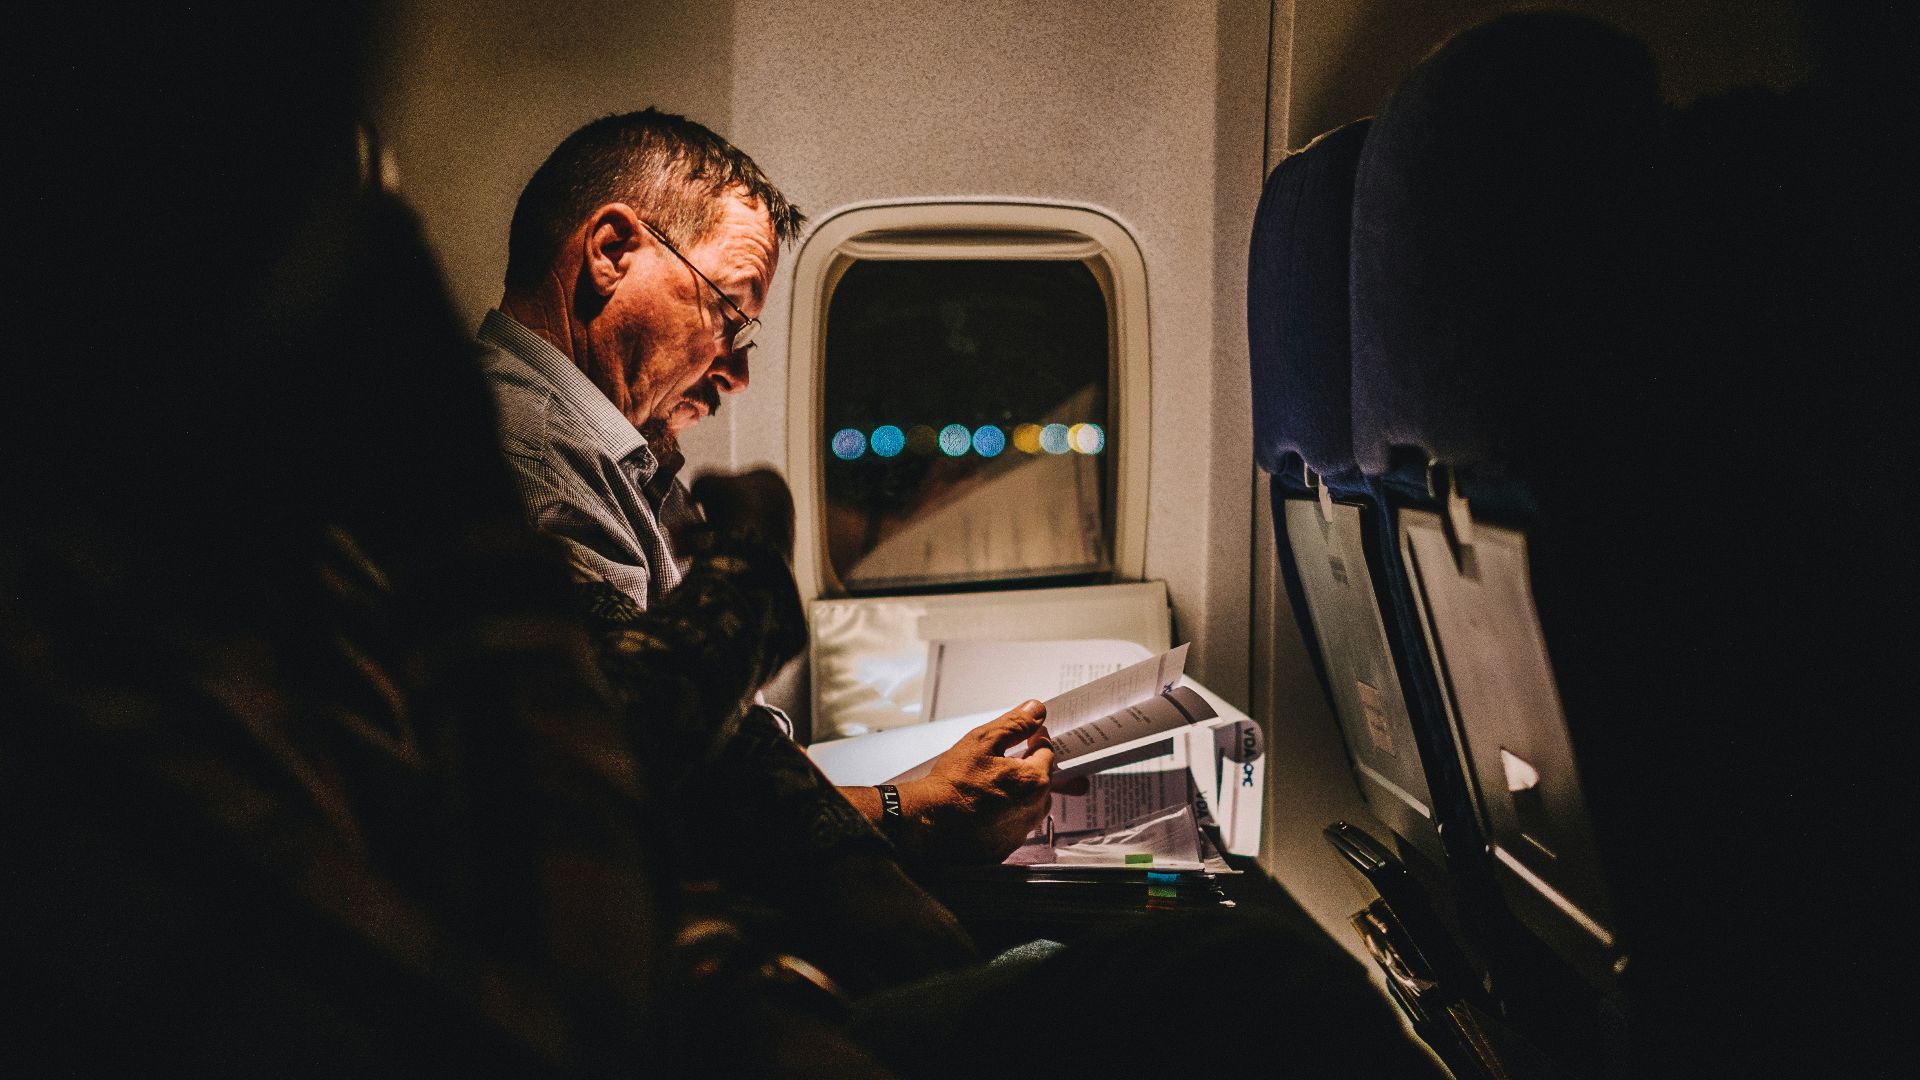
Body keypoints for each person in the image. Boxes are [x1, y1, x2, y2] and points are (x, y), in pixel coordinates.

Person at [478, 108, 1061, 867]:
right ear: (612, 252)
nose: (737, 375)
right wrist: (910, 809)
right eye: (727, 311)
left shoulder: (603, 456)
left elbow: (718, 758)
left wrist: (911, 789)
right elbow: (638, 772)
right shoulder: (526, 459)